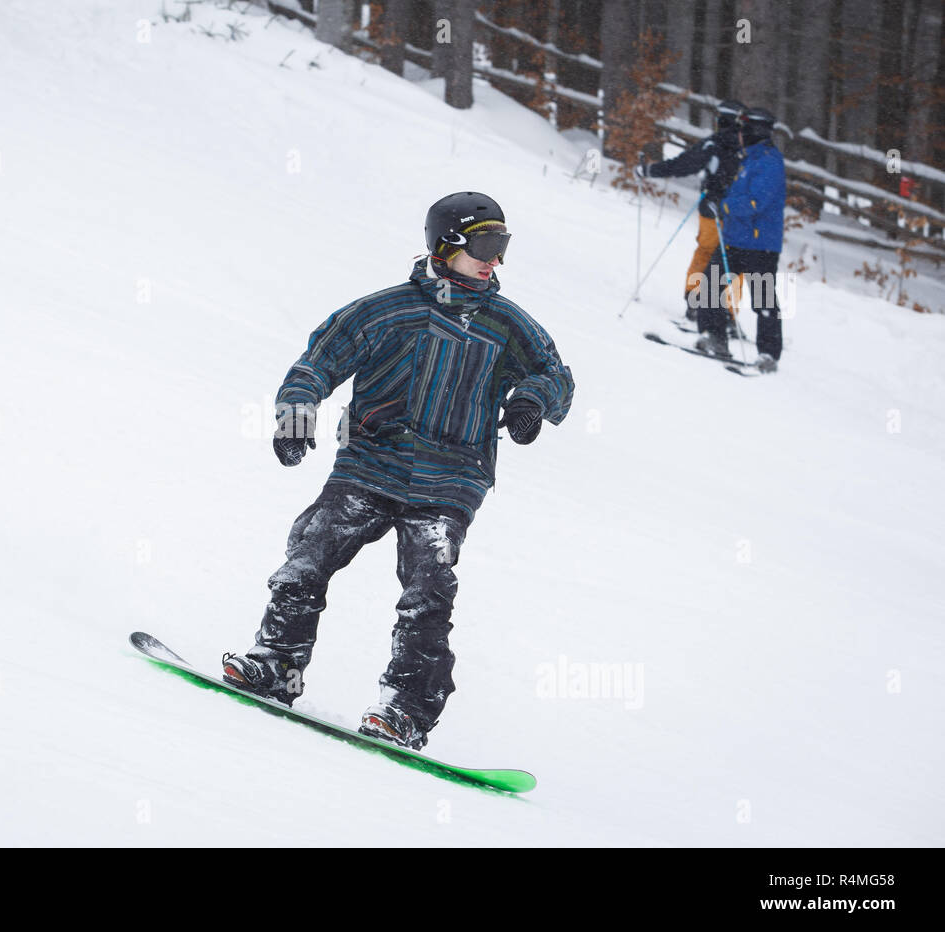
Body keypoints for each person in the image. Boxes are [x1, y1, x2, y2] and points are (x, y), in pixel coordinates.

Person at [222, 192, 575, 750]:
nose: (494, 260)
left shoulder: (507, 326)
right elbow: (319, 361)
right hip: (370, 462)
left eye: (502, 247)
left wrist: (533, 400)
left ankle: (405, 710)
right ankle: (276, 664)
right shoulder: (388, 311)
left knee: (428, 587)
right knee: (311, 551)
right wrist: (295, 415)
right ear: (446, 244)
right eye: (485, 244)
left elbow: (555, 374)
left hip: (450, 478)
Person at [635, 98, 746, 330]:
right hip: (740, 214)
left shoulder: (713, 145)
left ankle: (696, 302)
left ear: (720, 120)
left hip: (713, 207)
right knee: (734, 262)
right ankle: (727, 312)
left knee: (706, 253)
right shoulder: (747, 150)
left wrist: (649, 171)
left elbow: (683, 164)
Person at [697, 106, 786, 371]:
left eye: (743, 130)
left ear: (755, 132)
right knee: (710, 285)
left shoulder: (770, 162)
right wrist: (715, 198)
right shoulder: (746, 160)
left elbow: (756, 201)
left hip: (760, 243)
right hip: (735, 238)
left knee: (762, 298)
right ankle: (714, 336)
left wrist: (724, 206)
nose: (738, 135)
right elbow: (736, 194)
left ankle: (768, 354)